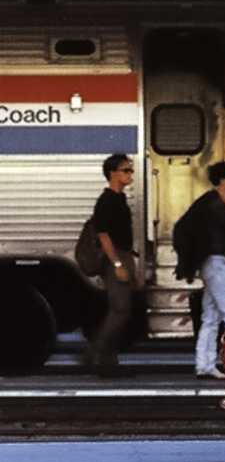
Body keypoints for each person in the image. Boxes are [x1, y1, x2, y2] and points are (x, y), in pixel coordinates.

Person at [193, 161, 225, 380]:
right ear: (222, 181)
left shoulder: (208, 203)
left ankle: (204, 364)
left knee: (211, 316)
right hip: (217, 264)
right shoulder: (216, 205)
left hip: (212, 264)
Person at [86, 153, 136, 376]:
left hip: (123, 255)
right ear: (112, 173)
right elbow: (103, 235)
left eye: (130, 170)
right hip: (115, 257)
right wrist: (117, 263)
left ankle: (108, 361)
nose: (130, 174)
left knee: (121, 310)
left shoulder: (119, 198)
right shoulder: (107, 200)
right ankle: (97, 354)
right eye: (126, 170)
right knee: (120, 309)